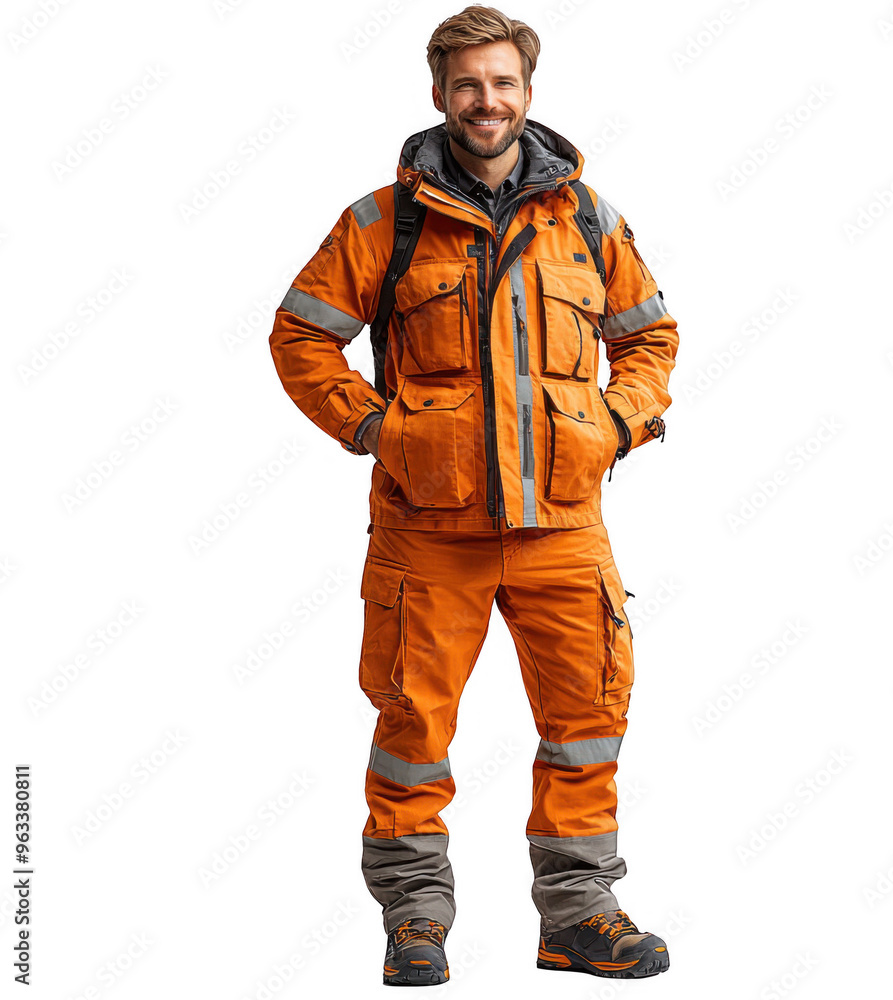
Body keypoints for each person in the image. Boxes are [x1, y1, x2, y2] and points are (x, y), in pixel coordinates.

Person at [268, 4, 679, 985]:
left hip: (564, 529)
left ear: (528, 92)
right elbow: (300, 336)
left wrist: (613, 424)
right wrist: (377, 430)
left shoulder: (587, 219)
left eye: (501, 83)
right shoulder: (385, 220)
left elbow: (650, 339)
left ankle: (578, 916)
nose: (485, 101)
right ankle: (415, 919)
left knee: (587, 720)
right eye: (466, 85)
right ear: (439, 94)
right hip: (427, 530)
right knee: (413, 729)